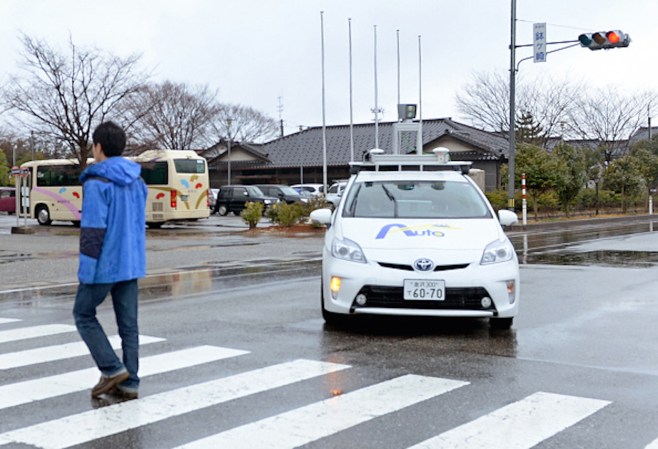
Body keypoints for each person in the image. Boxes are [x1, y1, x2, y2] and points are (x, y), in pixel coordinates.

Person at [73, 121, 148, 400]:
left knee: (82, 313)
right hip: (131, 261)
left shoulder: (97, 181)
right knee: (128, 325)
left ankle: (112, 368)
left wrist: (87, 270)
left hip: (104, 264)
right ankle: (131, 382)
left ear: (99, 147)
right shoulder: (138, 181)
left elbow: (93, 230)